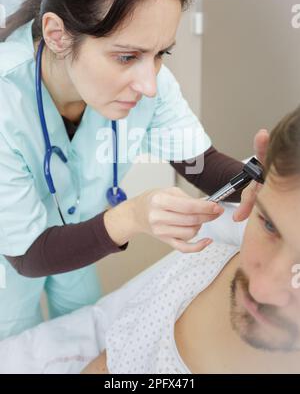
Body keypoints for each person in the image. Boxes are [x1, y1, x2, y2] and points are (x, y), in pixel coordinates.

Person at [0, 0, 267, 340]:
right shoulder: (5, 99)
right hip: (11, 265)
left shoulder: (148, 83)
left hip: (79, 247)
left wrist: (267, 183)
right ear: (57, 34)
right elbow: (30, 253)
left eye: (162, 53)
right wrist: (132, 217)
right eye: (127, 56)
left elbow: (200, 163)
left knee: (81, 337)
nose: (150, 84)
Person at [82, 106, 300, 374]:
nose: (260, 289)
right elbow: (110, 367)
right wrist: (129, 217)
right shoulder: (202, 267)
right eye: (268, 225)